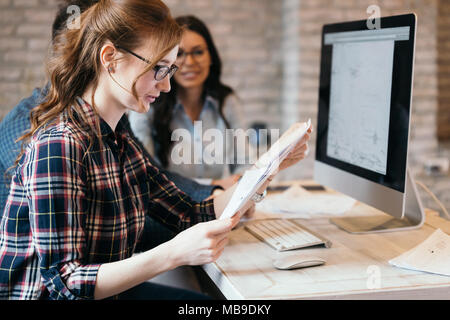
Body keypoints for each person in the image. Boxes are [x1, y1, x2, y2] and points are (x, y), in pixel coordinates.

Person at [0, 0, 310, 300]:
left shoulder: (119, 140)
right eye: (158, 69)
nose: (166, 86)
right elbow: (64, 284)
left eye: (169, 70)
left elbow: (190, 213)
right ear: (110, 58)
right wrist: (173, 254)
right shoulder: (59, 144)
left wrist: (267, 170)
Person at [129, 15, 248, 190]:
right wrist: (214, 185)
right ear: (166, 61)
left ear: (211, 57)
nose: (190, 62)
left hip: (220, 203)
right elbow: (147, 175)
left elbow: (245, 162)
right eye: (179, 54)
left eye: (198, 52)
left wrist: (246, 186)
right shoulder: (148, 104)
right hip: (171, 210)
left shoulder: (227, 101)